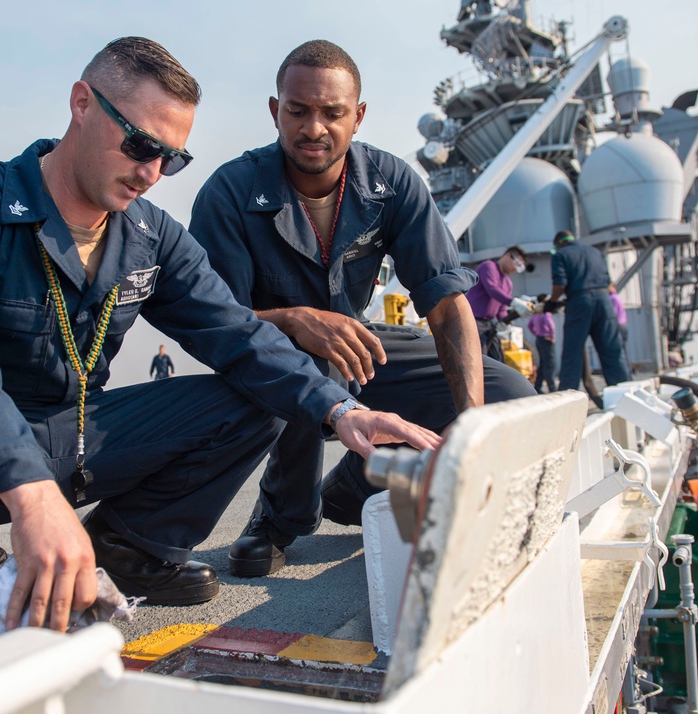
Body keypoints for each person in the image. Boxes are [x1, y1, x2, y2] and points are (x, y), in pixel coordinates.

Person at [0, 37, 442, 659]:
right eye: (141, 145)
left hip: (71, 436)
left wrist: (342, 411)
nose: (151, 173)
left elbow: (239, 334)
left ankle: (131, 556)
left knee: (256, 395)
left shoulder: (151, 237)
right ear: (81, 104)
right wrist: (29, 488)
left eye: (171, 160)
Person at [190, 40, 535, 579]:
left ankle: (354, 488)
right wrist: (292, 320)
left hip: (359, 344)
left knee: (508, 395)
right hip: (268, 360)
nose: (313, 129)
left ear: (359, 117)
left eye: (333, 113)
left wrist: (471, 429)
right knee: (306, 357)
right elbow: (215, 322)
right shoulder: (230, 193)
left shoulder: (392, 184)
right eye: (298, 110)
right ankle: (280, 518)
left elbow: (446, 307)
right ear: (275, 110)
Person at [548, 231, 630, 390]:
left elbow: (560, 285)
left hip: (580, 302)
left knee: (573, 353)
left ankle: (568, 397)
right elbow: (608, 282)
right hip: (604, 301)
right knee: (613, 351)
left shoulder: (560, 255)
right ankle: (624, 393)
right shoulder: (596, 252)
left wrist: (551, 302)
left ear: (559, 244)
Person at [465, 246, 534, 362]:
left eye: (520, 267)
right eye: (517, 263)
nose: (516, 269)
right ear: (507, 256)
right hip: (473, 320)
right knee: (480, 358)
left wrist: (506, 323)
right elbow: (492, 289)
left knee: (497, 358)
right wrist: (514, 302)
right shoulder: (488, 266)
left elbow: (502, 309)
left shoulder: (508, 283)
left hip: (489, 324)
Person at [527, 312, 557, 393]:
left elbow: (529, 325)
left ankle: (538, 387)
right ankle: (552, 388)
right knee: (550, 364)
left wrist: (536, 333)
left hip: (539, 339)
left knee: (542, 364)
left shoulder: (535, 314)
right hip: (546, 339)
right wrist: (552, 337)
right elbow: (550, 325)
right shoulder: (545, 314)